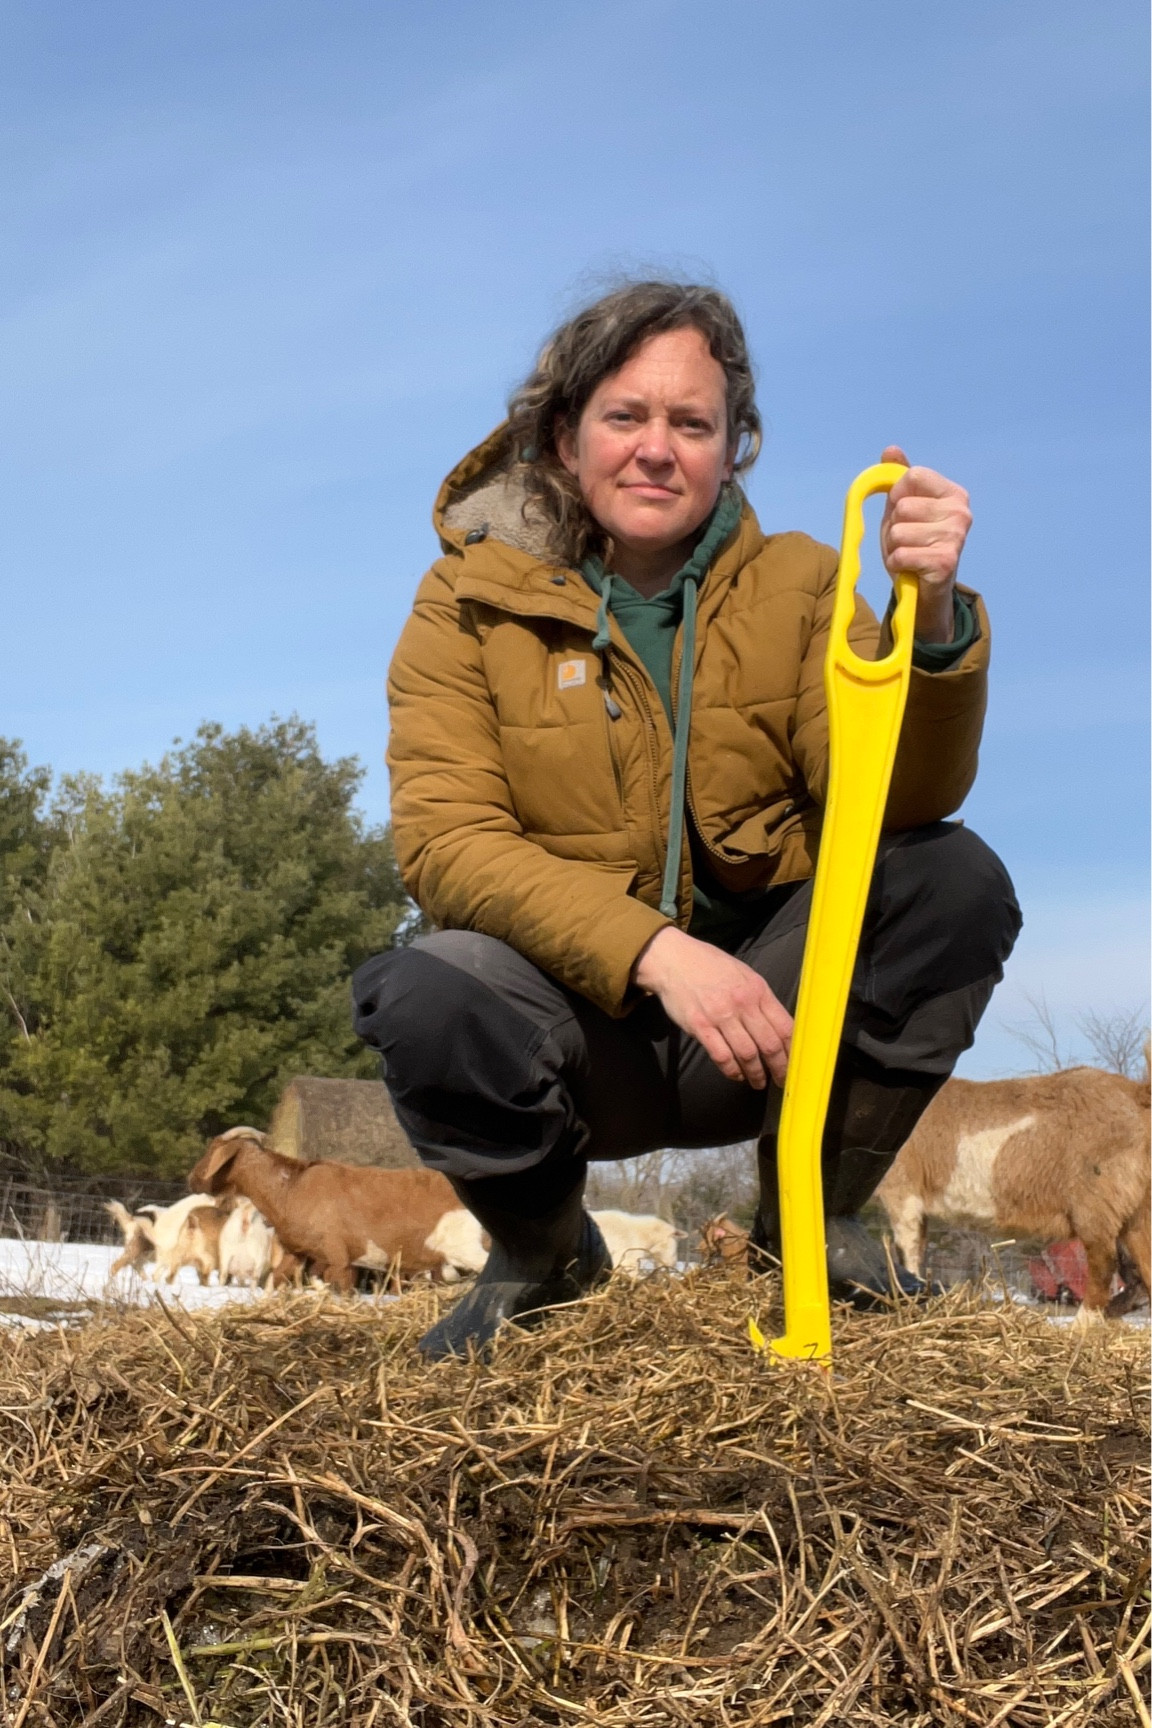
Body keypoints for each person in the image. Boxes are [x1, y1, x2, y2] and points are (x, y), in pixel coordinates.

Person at [352, 281, 1021, 1359]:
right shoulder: (462, 606)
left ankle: (807, 1218)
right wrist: (657, 952)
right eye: (626, 416)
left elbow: (897, 803)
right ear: (566, 438)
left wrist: (928, 616)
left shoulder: (807, 584)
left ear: (732, 446)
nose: (656, 449)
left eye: (692, 423)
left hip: (772, 1028)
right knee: (423, 990)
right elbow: (447, 846)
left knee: (952, 882)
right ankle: (543, 1251)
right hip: (581, 1034)